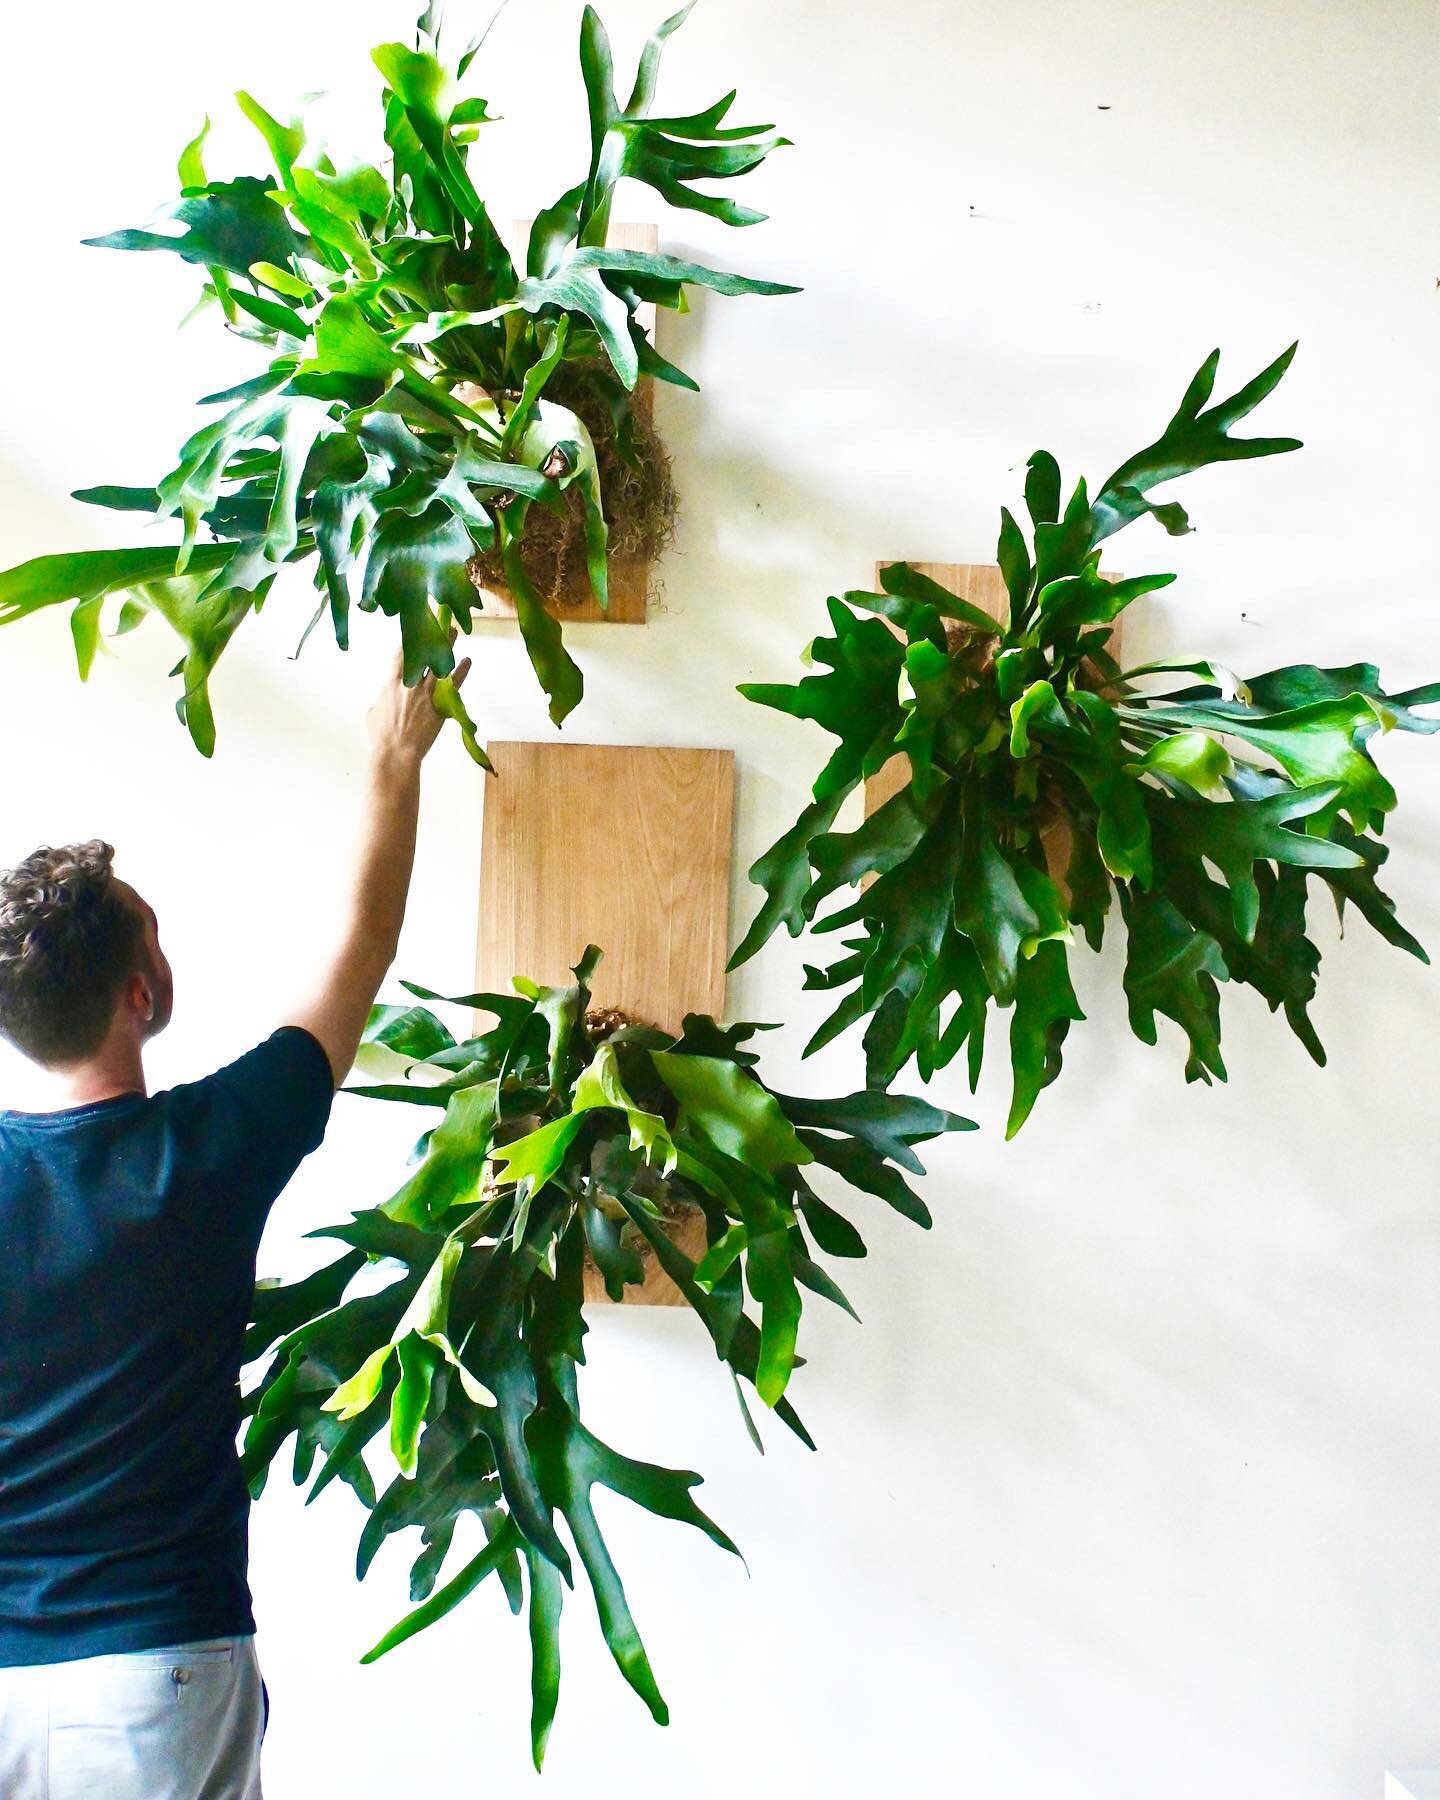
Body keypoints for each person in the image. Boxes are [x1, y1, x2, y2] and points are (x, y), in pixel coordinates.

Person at [0, 649, 468, 1799]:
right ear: (142, 991)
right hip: (160, 1670)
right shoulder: (209, 1153)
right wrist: (394, 761)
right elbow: (361, 948)